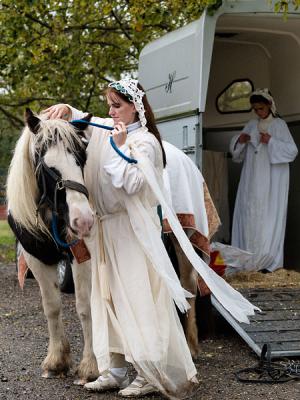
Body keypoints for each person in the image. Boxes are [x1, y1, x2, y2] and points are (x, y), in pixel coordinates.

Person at [45, 78, 258, 399]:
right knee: (108, 301)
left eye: (117, 105)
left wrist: (117, 146)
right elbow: (89, 122)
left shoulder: (146, 143)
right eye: (110, 104)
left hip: (131, 235)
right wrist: (68, 110)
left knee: (139, 302)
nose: (110, 111)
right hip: (106, 234)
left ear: (136, 108)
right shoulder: (113, 129)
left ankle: (149, 374)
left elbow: (130, 182)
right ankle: (114, 370)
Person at [230, 88, 298, 272]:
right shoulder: (251, 124)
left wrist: (271, 142)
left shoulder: (279, 125)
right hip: (251, 180)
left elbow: (292, 151)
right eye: (255, 109)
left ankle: (266, 260)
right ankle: (249, 257)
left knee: (268, 216)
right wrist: (240, 140)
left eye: (260, 108)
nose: (258, 112)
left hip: (271, 182)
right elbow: (236, 153)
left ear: (269, 105)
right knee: (250, 215)